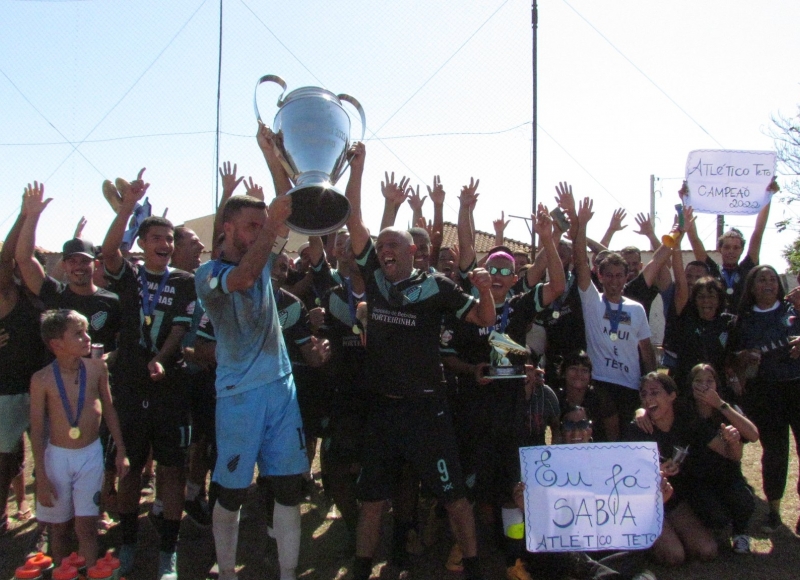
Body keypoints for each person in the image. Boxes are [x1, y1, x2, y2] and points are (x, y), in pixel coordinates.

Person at [344, 142, 497, 580]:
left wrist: (485, 287)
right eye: (382, 244)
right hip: (384, 408)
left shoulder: (437, 287)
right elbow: (354, 219)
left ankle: (471, 568)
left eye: (394, 244)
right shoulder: (374, 276)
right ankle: (359, 570)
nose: (384, 248)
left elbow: (485, 318)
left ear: (415, 253)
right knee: (372, 501)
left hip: (428, 411)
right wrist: (360, 168)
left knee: (454, 499)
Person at [195, 122, 305, 580]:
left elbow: (287, 204)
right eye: (250, 226)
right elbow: (240, 278)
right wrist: (273, 224)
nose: (260, 232)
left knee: (288, 490)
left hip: (281, 389)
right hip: (239, 395)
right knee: (232, 492)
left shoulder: (260, 255)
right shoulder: (208, 275)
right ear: (227, 229)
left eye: (262, 226)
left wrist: (271, 153)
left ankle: (287, 573)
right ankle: (226, 570)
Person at [101, 170, 197, 579]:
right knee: (130, 467)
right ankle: (126, 542)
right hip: (129, 386)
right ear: (142, 244)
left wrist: (162, 357)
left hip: (169, 385)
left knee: (172, 470)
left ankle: (167, 552)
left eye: (169, 240)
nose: (164, 244)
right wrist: (126, 209)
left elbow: (178, 326)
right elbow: (107, 254)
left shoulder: (184, 281)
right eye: (156, 238)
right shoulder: (130, 277)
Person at [508, 406, 661, 580]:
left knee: (640, 566)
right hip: (568, 546)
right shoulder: (544, 469)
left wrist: (657, 497)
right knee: (558, 552)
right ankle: (601, 574)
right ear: (560, 431)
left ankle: (600, 573)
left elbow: (631, 512)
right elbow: (540, 527)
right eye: (569, 426)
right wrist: (525, 507)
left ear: (590, 429)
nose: (576, 431)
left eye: (582, 424)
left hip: (607, 546)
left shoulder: (613, 463)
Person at [30, 309, 128, 566]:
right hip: (57, 458)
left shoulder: (97, 368)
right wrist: (41, 475)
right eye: (78, 333)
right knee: (59, 529)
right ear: (56, 344)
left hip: (90, 455)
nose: (87, 338)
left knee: (87, 528)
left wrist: (120, 449)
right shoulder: (41, 379)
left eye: (86, 331)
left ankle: (89, 571)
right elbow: (38, 430)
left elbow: (109, 408)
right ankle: (63, 572)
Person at [571, 189, 656, 422]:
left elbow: (647, 350)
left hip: (630, 384)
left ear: (627, 277)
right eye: (609, 275)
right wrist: (582, 226)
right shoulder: (592, 301)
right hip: (600, 382)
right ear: (600, 276)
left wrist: (651, 381)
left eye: (619, 275)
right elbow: (580, 260)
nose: (614, 281)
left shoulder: (636, 309)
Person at [728, 264, 800, 533]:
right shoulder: (743, 319)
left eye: (772, 279)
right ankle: (774, 511)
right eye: (761, 280)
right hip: (766, 392)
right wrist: (744, 359)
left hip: (797, 386)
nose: (768, 284)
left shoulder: (793, 310)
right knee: (775, 453)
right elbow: (734, 360)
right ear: (752, 286)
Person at [626, 372, 720, 565]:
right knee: (674, 556)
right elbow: (627, 474)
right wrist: (655, 473)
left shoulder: (686, 421)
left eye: (655, 392)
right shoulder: (637, 428)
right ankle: (643, 542)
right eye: (644, 395)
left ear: (672, 395)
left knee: (707, 550)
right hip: (648, 503)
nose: (648, 399)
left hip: (674, 500)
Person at [15, 185, 121, 355]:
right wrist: (32, 216)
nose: (78, 266)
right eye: (72, 261)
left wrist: (109, 358)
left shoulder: (112, 300)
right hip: (58, 379)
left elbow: (124, 343)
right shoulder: (54, 294)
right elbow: (24, 259)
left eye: (85, 261)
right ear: (64, 265)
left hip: (98, 379)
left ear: (95, 264)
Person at [0, 188, 50, 536]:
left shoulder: (47, 295)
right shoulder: (8, 293)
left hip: (46, 390)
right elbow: (6, 261)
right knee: (4, 461)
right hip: (9, 390)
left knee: (49, 460)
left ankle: (51, 516)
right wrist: (24, 215)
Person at [685, 364, 758, 554]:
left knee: (744, 500)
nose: (704, 386)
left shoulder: (726, 408)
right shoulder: (685, 412)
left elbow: (753, 435)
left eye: (710, 381)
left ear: (717, 384)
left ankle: (740, 532)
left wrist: (721, 405)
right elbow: (727, 452)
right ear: (690, 385)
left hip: (728, 476)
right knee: (715, 515)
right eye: (698, 381)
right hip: (698, 480)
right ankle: (715, 529)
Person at [683, 179, 778, 312]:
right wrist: (686, 199)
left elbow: (758, 231)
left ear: (742, 250)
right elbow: (694, 239)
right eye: (727, 247)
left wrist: (768, 196)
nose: (731, 251)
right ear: (719, 249)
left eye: (736, 247)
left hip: (743, 326)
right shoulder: (712, 270)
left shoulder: (748, 267)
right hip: (717, 327)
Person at [555, 350, 619, 442]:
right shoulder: (555, 398)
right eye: (573, 369)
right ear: (564, 372)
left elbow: (613, 435)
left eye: (584, 370)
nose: (579, 374)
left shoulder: (601, 399)